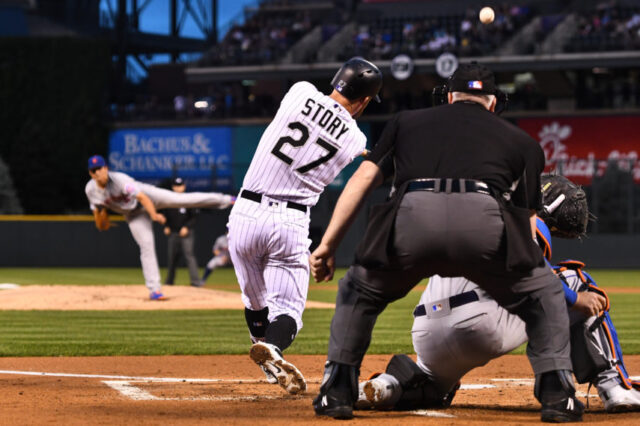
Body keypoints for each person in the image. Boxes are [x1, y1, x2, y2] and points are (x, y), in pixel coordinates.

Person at [310, 62, 584, 422]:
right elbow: (527, 223)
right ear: (491, 103)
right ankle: (557, 397)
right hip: (483, 222)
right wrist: (526, 279)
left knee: (359, 291)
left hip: (411, 217)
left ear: (450, 97)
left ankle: (337, 393)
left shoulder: (405, 122)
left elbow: (363, 178)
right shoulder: (524, 143)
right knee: (544, 294)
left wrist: (328, 244)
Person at [356, 176, 640, 414]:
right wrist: (575, 299)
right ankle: (615, 388)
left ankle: (385, 387)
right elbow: (530, 270)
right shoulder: (526, 220)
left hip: (426, 332)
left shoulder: (473, 210)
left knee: (430, 386)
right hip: (479, 325)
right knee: (575, 281)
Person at [227, 57, 383, 395]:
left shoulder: (300, 92)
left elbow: (313, 110)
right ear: (365, 100)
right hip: (290, 220)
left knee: (255, 301)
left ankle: (264, 350)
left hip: (245, 211)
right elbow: (365, 153)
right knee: (288, 312)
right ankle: (274, 348)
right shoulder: (355, 138)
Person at [85, 155, 235, 300]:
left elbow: (143, 198)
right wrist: (101, 222)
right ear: (90, 173)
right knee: (146, 245)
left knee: (181, 199)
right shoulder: (91, 190)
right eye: (94, 170)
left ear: (106, 168)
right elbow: (99, 216)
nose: (98, 172)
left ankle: (227, 199)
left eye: (101, 168)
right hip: (133, 215)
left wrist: (155, 215)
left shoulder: (120, 180)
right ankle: (155, 290)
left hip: (149, 197)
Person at [162, 177, 201, 288]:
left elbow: (194, 217)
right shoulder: (169, 200)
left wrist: (187, 227)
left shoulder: (188, 199)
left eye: (180, 186)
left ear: (184, 186)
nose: (178, 188)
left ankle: (196, 282)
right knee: (172, 258)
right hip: (173, 233)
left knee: (189, 256)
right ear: (173, 187)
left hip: (186, 234)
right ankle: (169, 282)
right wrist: (166, 226)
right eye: (176, 186)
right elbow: (165, 216)